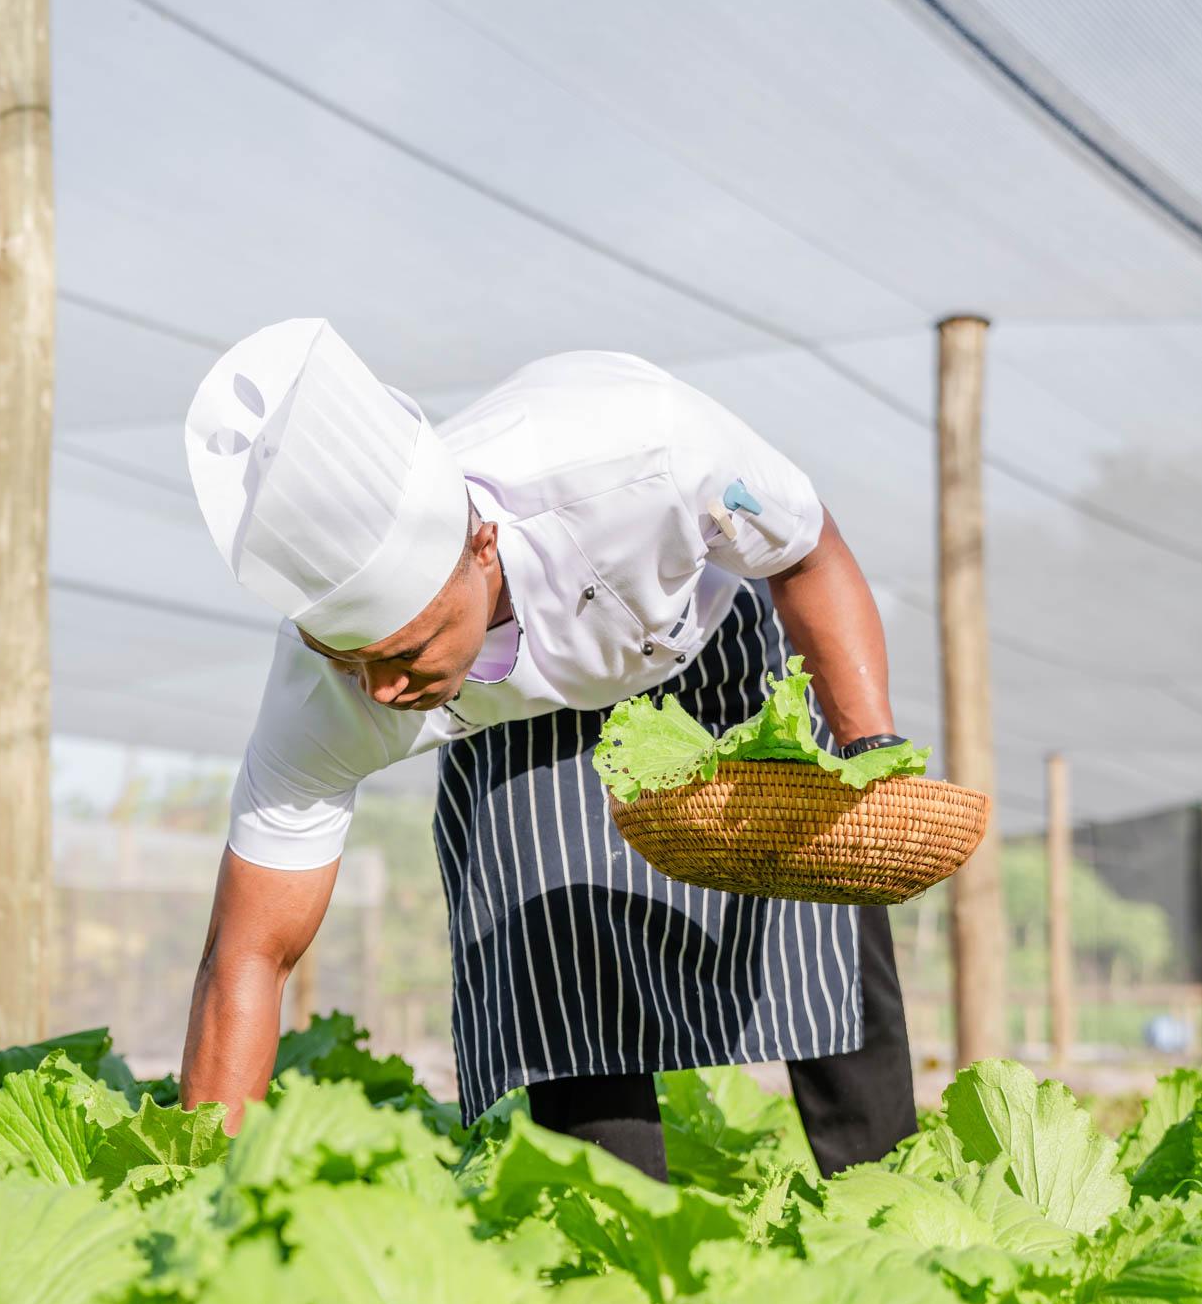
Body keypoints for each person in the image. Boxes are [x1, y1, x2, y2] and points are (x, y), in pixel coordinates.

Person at [180, 319, 917, 1179]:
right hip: (516, 712)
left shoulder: (650, 455)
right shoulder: (321, 700)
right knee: (557, 957)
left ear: (480, 547)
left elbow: (809, 556)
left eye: (406, 651)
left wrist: (871, 755)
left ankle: (887, 1203)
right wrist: (204, 1194)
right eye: (352, 659)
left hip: (699, 638)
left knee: (819, 911)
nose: (382, 691)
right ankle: (618, 1247)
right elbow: (247, 953)